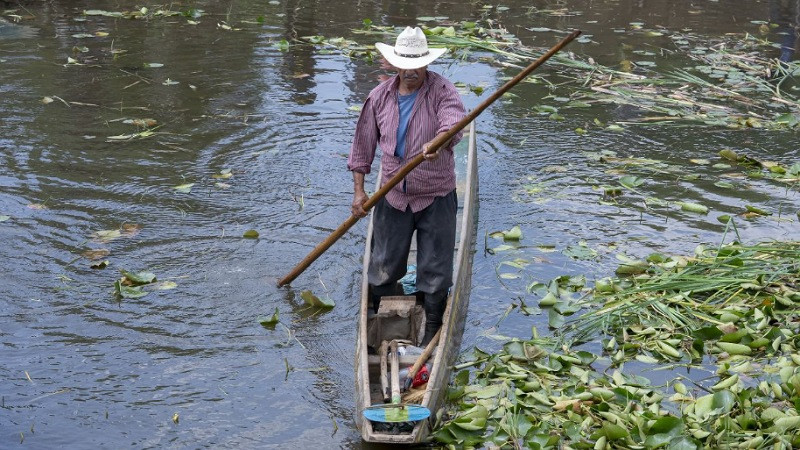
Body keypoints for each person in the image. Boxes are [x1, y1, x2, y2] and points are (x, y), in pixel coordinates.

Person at [347, 26, 466, 346]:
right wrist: (360, 192)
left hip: (435, 193)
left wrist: (438, 142)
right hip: (392, 194)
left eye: (417, 64)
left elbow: (454, 125)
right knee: (383, 269)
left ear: (426, 63)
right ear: (394, 64)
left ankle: (431, 331)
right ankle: (380, 324)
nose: (411, 71)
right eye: (404, 64)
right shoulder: (379, 97)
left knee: (436, 271)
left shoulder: (443, 90)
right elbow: (361, 148)